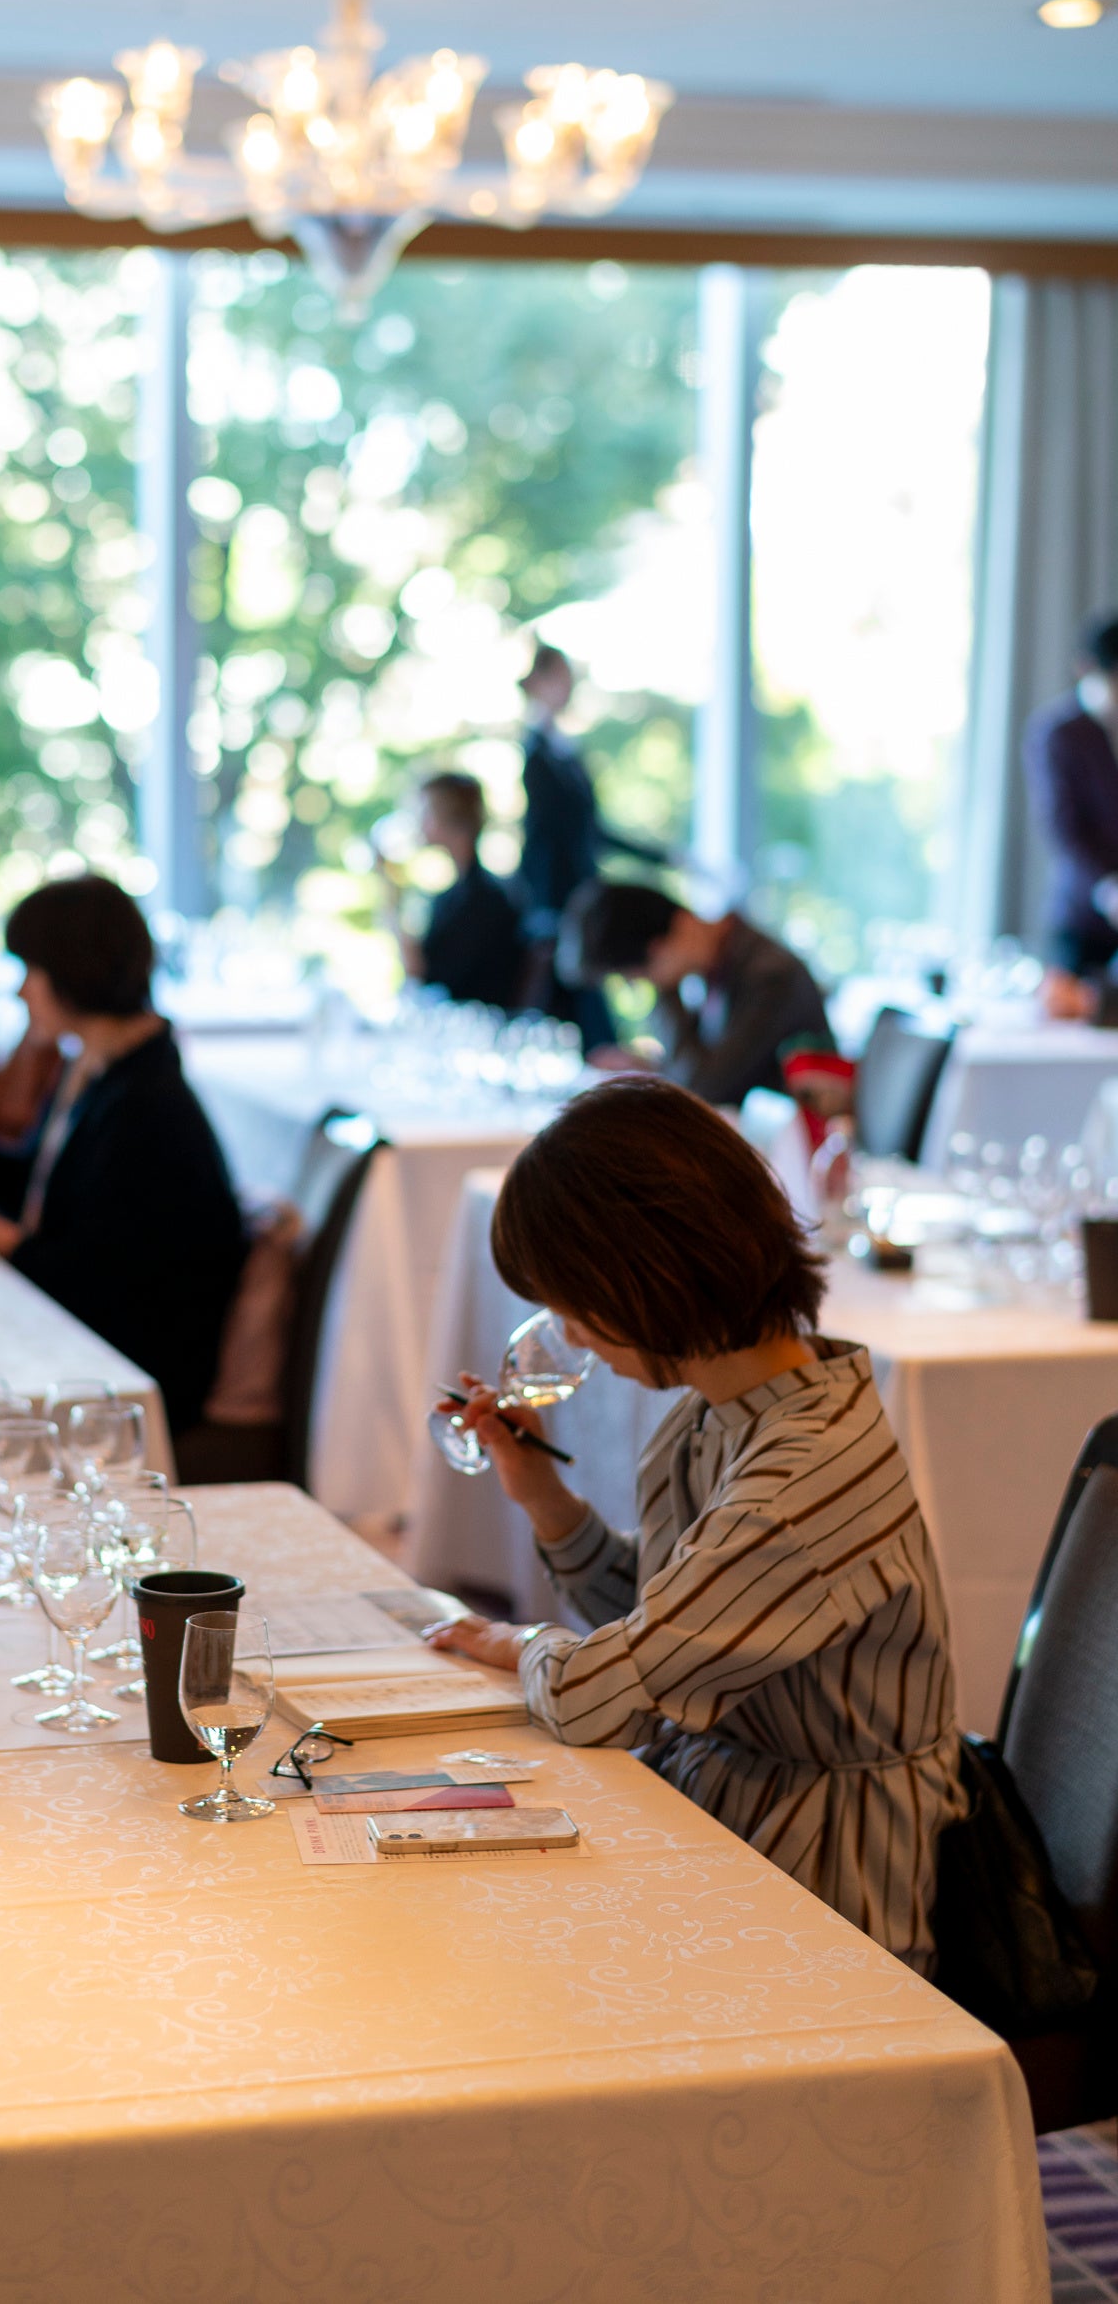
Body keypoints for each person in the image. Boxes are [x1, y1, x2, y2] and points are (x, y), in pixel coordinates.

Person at [425, 1075, 963, 1974]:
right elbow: (666, 1621)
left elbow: (602, 1699)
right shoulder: (734, 1408)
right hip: (723, 1809)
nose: (573, 1336)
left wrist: (518, 1644)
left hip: (824, 1885)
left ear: (644, 1277)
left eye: (573, 1303)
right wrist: (543, 1497)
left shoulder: (802, 1480)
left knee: (486, 1958)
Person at [0, 874, 245, 1435]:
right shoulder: (102, 1065)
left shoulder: (148, 1105)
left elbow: (94, 1280)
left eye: (31, 971)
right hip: (87, 1336)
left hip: (128, 1376)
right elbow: (53, 1187)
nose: (22, 992)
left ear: (72, 972)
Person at [517, 641, 668, 1045]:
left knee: (593, 1016)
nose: (569, 688)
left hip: (582, 900)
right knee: (571, 1020)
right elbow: (542, 836)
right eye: (561, 678)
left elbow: (591, 831)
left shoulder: (565, 752)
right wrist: (543, 910)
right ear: (539, 682)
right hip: (559, 909)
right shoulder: (536, 754)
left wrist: (662, 857)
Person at [571, 880, 833, 1107]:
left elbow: (704, 1090)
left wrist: (666, 990)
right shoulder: (719, 968)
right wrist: (649, 1067)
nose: (645, 984)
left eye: (640, 977)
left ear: (657, 950)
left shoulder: (769, 975)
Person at [1025, 611, 1118, 978]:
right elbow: (1065, 828)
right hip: (1084, 918)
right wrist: (1107, 887)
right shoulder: (1059, 734)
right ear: (1086, 669)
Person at [400, 772, 525, 1010]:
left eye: (426, 813)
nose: (418, 823)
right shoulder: (452, 897)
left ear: (454, 820)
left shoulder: (484, 900)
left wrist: (391, 903)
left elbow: (424, 979)